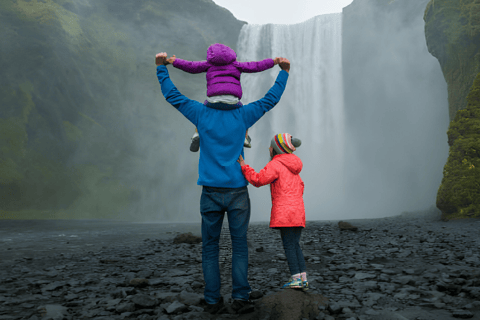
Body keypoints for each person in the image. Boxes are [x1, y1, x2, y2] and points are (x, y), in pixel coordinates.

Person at [155, 52, 290, 314]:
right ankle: (240, 298)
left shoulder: (200, 113)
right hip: (238, 192)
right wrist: (283, 71)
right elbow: (271, 99)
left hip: (210, 192)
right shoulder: (244, 115)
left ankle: (213, 301)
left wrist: (162, 67)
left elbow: (172, 95)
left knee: (210, 248)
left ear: (211, 87)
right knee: (240, 246)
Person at [165, 43, 281, 152]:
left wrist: (175, 61)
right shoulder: (236, 65)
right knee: (244, 116)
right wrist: (273, 62)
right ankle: (245, 137)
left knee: (201, 114)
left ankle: (197, 134)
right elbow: (255, 66)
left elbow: (190, 66)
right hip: (233, 101)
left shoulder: (208, 64)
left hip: (213, 100)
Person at [237, 133, 308, 290]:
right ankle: (303, 279)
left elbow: (258, 179)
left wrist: (244, 166)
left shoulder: (276, 164)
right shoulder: (295, 168)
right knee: (295, 244)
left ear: (275, 149)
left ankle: (296, 278)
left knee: (288, 245)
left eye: (271, 147)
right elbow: (301, 187)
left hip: (285, 213)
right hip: (298, 212)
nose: (269, 149)